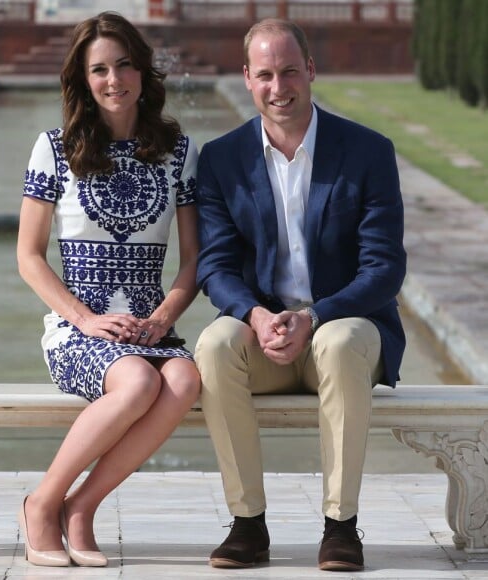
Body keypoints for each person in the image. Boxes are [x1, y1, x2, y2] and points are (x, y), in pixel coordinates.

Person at [194, 18, 406, 572]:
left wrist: (314, 317)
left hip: (345, 330)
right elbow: (214, 268)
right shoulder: (221, 160)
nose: (278, 87)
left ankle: (341, 528)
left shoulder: (367, 151)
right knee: (214, 344)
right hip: (265, 337)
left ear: (310, 70)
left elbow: (384, 268)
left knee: (338, 341)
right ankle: (247, 525)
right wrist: (257, 316)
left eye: (289, 71)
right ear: (246, 78)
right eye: (264, 74)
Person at [16, 11, 201, 567]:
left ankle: (82, 508)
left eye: (124, 65)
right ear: (83, 79)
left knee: (186, 378)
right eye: (99, 69)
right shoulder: (54, 148)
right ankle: (42, 503)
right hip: (79, 330)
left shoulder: (178, 152)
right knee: (140, 380)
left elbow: (194, 260)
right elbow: (29, 257)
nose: (114, 79)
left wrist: (166, 316)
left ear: (143, 72)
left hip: (151, 325)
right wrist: (85, 320)